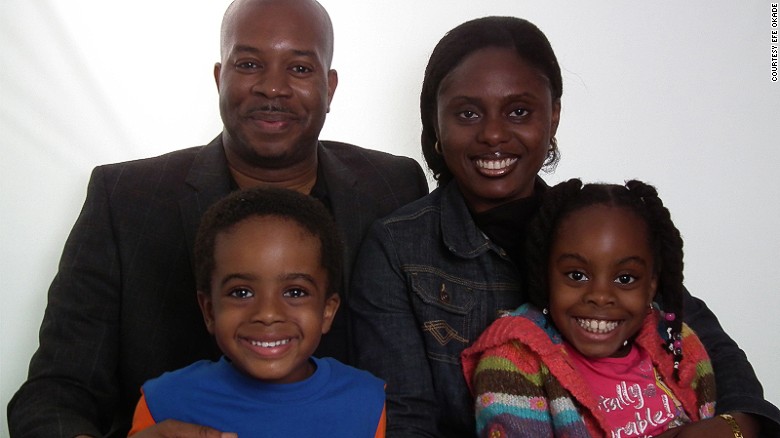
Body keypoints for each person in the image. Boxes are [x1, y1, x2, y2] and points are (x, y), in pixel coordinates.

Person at [7, 0, 427, 437]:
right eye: (248, 64)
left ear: (331, 86)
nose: (273, 88)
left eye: (300, 69)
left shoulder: (393, 187)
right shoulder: (126, 199)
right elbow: (55, 391)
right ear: (218, 77)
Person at [349, 15, 780, 437]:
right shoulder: (398, 248)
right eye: (467, 114)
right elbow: (407, 420)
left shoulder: (596, 225)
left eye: (519, 111)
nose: (494, 134)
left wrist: (736, 425)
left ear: (553, 116)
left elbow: (704, 340)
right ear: (435, 122)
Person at [462, 179, 717, 437]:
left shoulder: (679, 344)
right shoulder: (513, 363)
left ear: (652, 286)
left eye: (625, 278)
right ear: (545, 276)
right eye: (576, 275)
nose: (600, 296)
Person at [128, 187, 386, 437]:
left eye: (295, 292)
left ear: (327, 311)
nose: (268, 313)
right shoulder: (163, 402)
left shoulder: (368, 401)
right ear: (209, 311)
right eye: (241, 292)